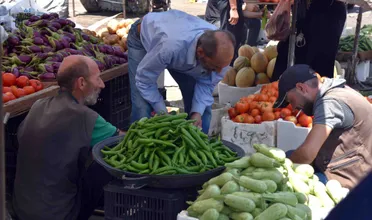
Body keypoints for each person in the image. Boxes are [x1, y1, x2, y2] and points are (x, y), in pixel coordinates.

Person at [12, 55, 125, 220]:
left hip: (22, 208)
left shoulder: (38, 105)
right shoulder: (85, 117)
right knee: (106, 161)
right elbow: (126, 141)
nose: (102, 84)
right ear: (81, 83)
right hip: (59, 213)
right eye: (98, 78)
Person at [127, 9, 235, 134]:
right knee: (142, 108)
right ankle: (139, 147)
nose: (220, 72)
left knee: (203, 109)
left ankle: (200, 145)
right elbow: (144, 81)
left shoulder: (220, 58)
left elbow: (206, 85)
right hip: (143, 37)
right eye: (216, 67)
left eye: (223, 67)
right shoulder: (169, 47)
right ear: (200, 53)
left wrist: (196, 113)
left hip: (178, 43)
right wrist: (162, 111)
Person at [273, 64, 372, 189]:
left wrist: (278, 171)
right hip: (355, 163)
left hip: (351, 177)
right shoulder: (338, 90)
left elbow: (307, 154)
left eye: (291, 101)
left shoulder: (329, 104)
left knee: (287, 182)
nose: (293, 107)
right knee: (289, 155)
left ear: (301, 88)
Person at [271, 0, 347, 80]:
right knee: (285, 50)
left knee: (319, 59)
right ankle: (279, 87)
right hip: (305, 9)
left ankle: (316, 87)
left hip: (328, 13)